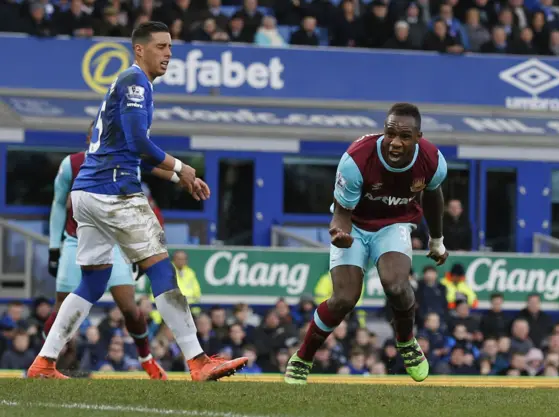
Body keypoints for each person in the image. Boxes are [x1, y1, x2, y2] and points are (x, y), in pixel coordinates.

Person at [27, 21, 248, 380]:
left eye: (171, 48)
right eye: (161, 47)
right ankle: (197, 360)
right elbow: (137, 143)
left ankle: (44, 362)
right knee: (161, 268)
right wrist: (182, 166)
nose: (168, 54)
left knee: (94, 282)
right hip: (115, 193)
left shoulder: (130, 84)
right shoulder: (135, 83)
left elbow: (130, 151)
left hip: (88, 193)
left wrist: (178, 177)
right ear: (140, 50)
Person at [284, 103, 449, 384]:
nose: (395, 142)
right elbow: (341, 213)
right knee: (344, 300)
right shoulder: (356, 160)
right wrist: (339, 233)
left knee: (396, 285)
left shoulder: (433, 160)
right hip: (355, 226)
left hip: (394, 224)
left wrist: (437, 240)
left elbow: (433, 197)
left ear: (418, 137)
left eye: (405, 137)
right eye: (390, 133)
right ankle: (303, 356)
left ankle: (406, 341)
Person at [44, 122, 169, 379]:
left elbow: (133, 208)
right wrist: (54, 248)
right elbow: (58, 203)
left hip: (112, 244)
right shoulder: (72, 164)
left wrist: (135, 249)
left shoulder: (128, 164)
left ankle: (146, 358)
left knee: (130, 310)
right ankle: (45, 363)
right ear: (90, 136)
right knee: (61, 306)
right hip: (74, 241)